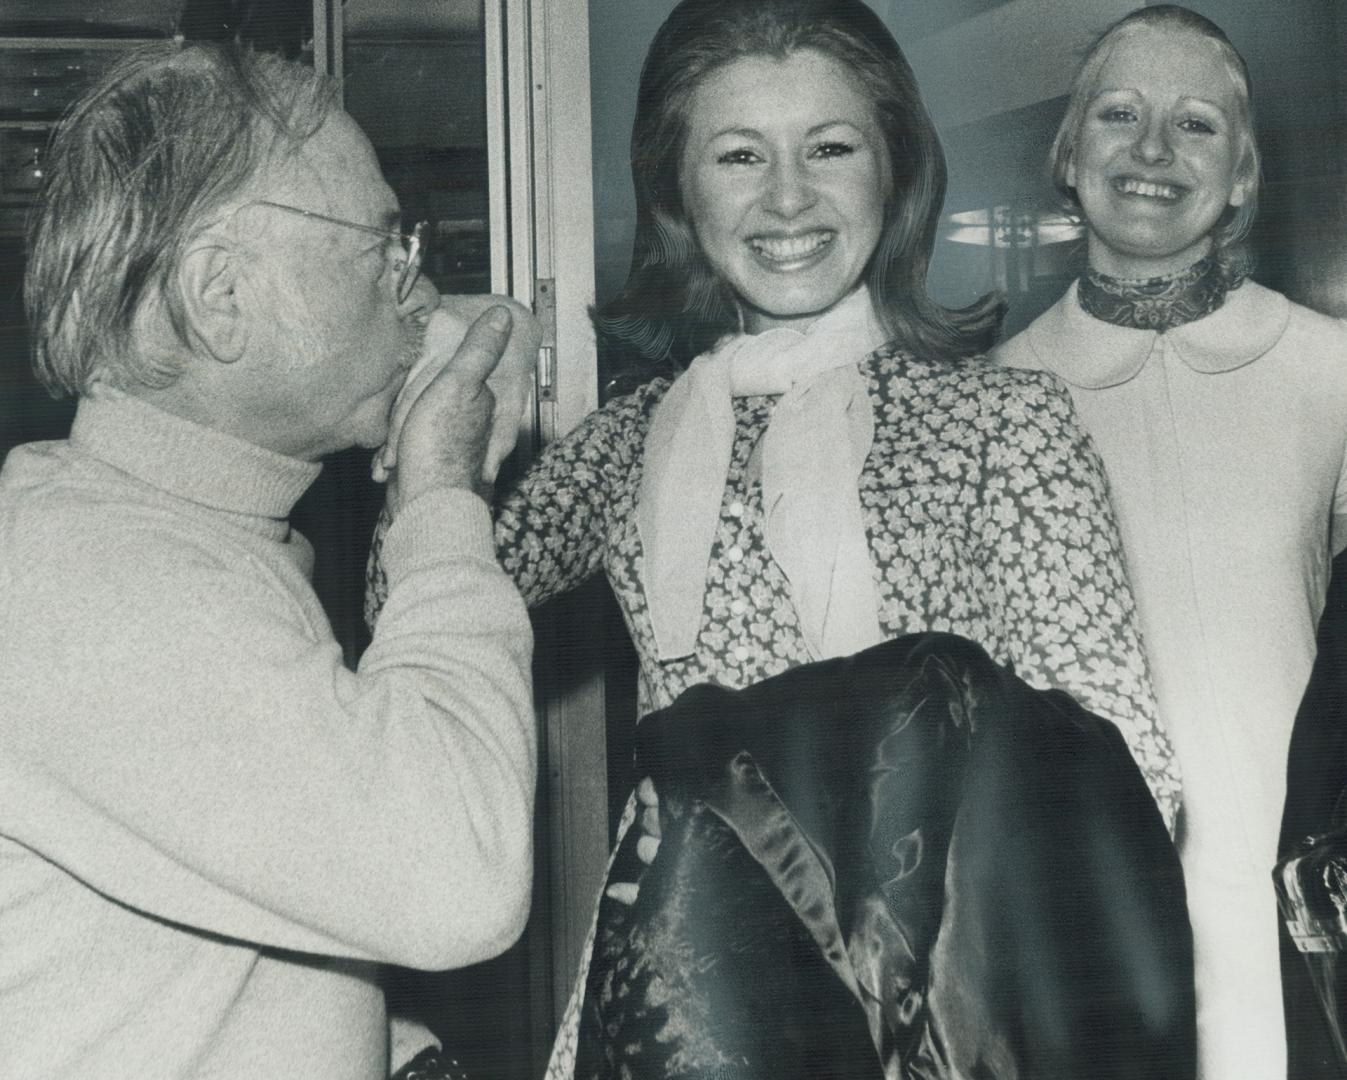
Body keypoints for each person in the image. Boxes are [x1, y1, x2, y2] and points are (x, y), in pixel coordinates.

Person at [363, 0, 1182, 1073]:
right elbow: (416, 611)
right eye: (739, 155)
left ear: (895, 172)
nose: (787, 198)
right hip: (692, 996)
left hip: (936, 1004)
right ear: (675, 191)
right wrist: (467, 372)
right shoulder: (626, 444)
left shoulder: (1002, 422)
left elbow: (1126, 766)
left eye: (831, 147)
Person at [0, 42, 540, 1080]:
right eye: (382, 247)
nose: (420, 291)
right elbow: (457, 876)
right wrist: (438, 493)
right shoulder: (104, 587)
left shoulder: (152, 533)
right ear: (219, 294)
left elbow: (191, 932)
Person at [993, 8, 1347, 1078]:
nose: (1152, 151)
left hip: (1295, 906)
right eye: (1119, 114)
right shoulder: (986, 398)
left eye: (1194, 124)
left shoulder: (1331, 371)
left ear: (1241, 175)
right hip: (1074, 914)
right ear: (1067, 154)